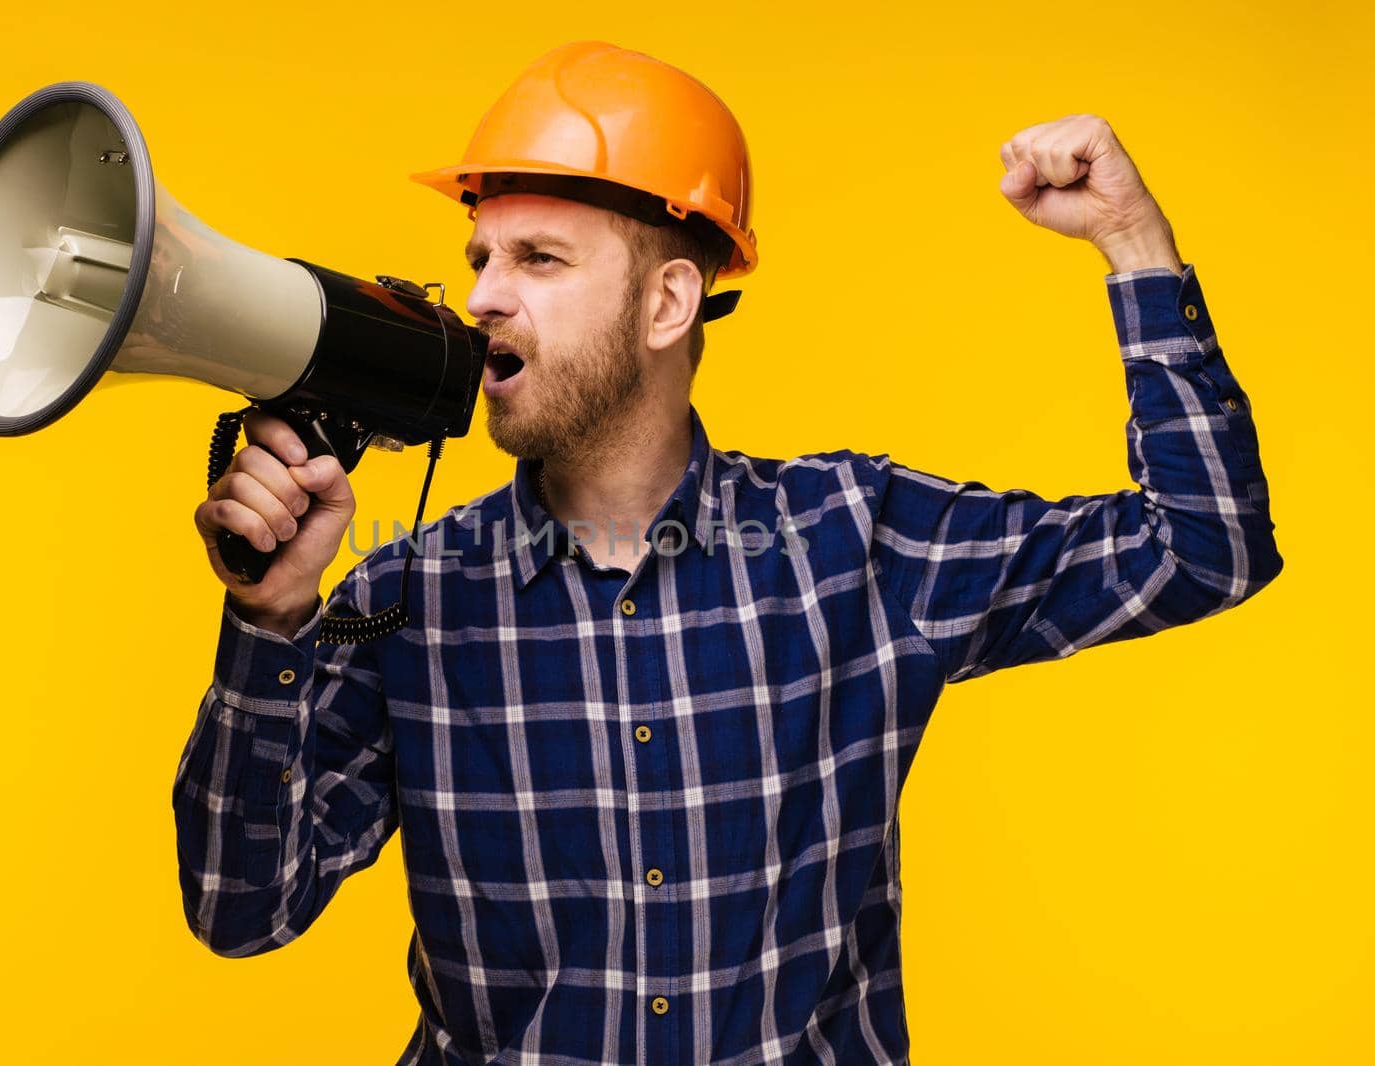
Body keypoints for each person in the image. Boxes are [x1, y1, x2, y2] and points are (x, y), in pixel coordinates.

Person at [174, 40, 1282, 1066]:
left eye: (539, 258)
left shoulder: (855, 539)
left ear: (668, 300)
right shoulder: (408, 599)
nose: (481, 298)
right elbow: (241, 910)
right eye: (478, 257)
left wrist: (1133, 243)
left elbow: (1207, 545)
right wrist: (271, 620)